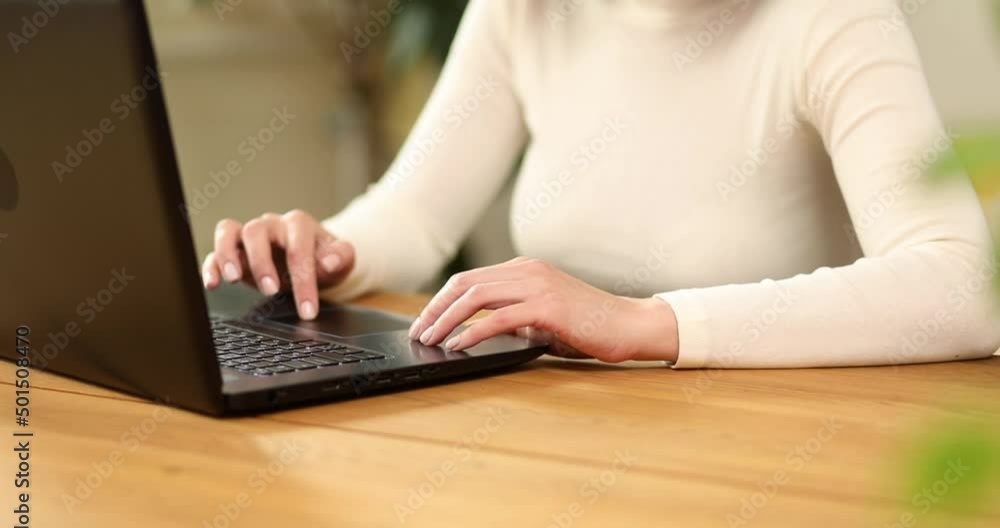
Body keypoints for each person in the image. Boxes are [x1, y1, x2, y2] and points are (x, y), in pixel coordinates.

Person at [202, 0, 1000, 368]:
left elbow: (961, 287)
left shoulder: (835, 19)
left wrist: (642, 322)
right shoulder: (527, 8)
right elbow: (415, 214)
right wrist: (328, 251)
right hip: (571, 441)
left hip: (762, 466)